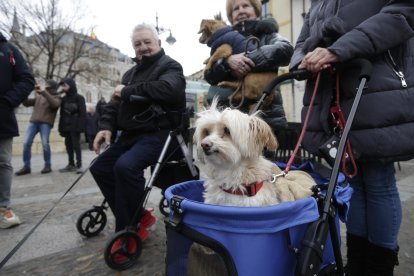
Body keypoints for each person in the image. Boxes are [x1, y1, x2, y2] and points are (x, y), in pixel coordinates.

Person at [289, 2, 414, 275]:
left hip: (375, 84)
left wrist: (338, 50)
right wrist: (302, 60)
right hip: (334, 93)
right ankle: (357, 262)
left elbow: (402, 14)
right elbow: (301, 40)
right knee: (353, 180)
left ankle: (379, 266)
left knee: (378, 179)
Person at [89, 23, 186, 242]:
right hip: (132, 135)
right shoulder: (129, 74)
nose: (142, 47)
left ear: (159, 43)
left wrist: (127, 91)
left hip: (162, 133)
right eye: (137, 44)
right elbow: (115, 105)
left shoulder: (171, 66)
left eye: (147, 42)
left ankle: (128, 229)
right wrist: (105, 127)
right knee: (100, 167)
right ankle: (139, 215)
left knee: (125, 167)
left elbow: (169, 89)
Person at [204, 0, 293, 135]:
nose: (241, 11)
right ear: (230, 16)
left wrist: (245, 60)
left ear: (256, 10)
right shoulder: (224, 39)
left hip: (263, 116)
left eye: (246, 6)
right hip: (226, 119)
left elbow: (285, 50)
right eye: (236, 9)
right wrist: (228, 63)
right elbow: (209, 75)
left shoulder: (268, 35)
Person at [0, 31, 35, 228]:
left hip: (1, 114)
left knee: (3, 162)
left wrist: (8, 101)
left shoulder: (9, 50)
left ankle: (3, 207)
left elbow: (26, 79)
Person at [15, 80, 62, 175]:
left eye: (46, 84)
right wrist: (25, 91)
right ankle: (26, 166)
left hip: (45, 123)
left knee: (45, 144)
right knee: (26, 143)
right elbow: (26, 103)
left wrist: (44, 92)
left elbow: (55, 104)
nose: (44, 85)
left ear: (50, 86)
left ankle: (47, 165)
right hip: (33, 122)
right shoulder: (39, 96)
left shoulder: (57, 96)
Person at [58, 78, 86, 173]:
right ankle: (71, 164)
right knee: (68, 144)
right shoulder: (64, 99)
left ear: (71, 85)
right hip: (66, 125)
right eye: (62, 85)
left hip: (75, 125)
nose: (63, 87)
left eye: (65, 85)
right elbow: (62, 114)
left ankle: (79, 165)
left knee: (76, 145)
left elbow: (83, 114)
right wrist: (60, 127)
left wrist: (81, 127)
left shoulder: (79, 98)